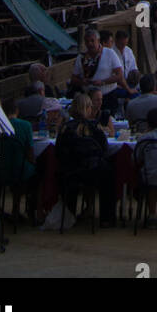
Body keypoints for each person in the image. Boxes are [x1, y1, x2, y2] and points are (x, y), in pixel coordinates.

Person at [55, 92, 116, 226]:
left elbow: (58, 151)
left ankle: (69, 212)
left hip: (70, 170)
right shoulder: (95, 127)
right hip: (92, 170)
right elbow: (104, 150)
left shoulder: (65, 128)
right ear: (88, 108)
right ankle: (107, 218)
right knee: (110, 175)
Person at [69, 28, 126, 100]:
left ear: (98, 41)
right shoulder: (81, 57)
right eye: (87, 41)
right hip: (89, 97)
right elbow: (73, 79)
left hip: (108, 96)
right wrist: (82, 82)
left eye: (92, 41)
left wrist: (103, 82)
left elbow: (120, 75)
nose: (90, 44)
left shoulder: (109, 53)